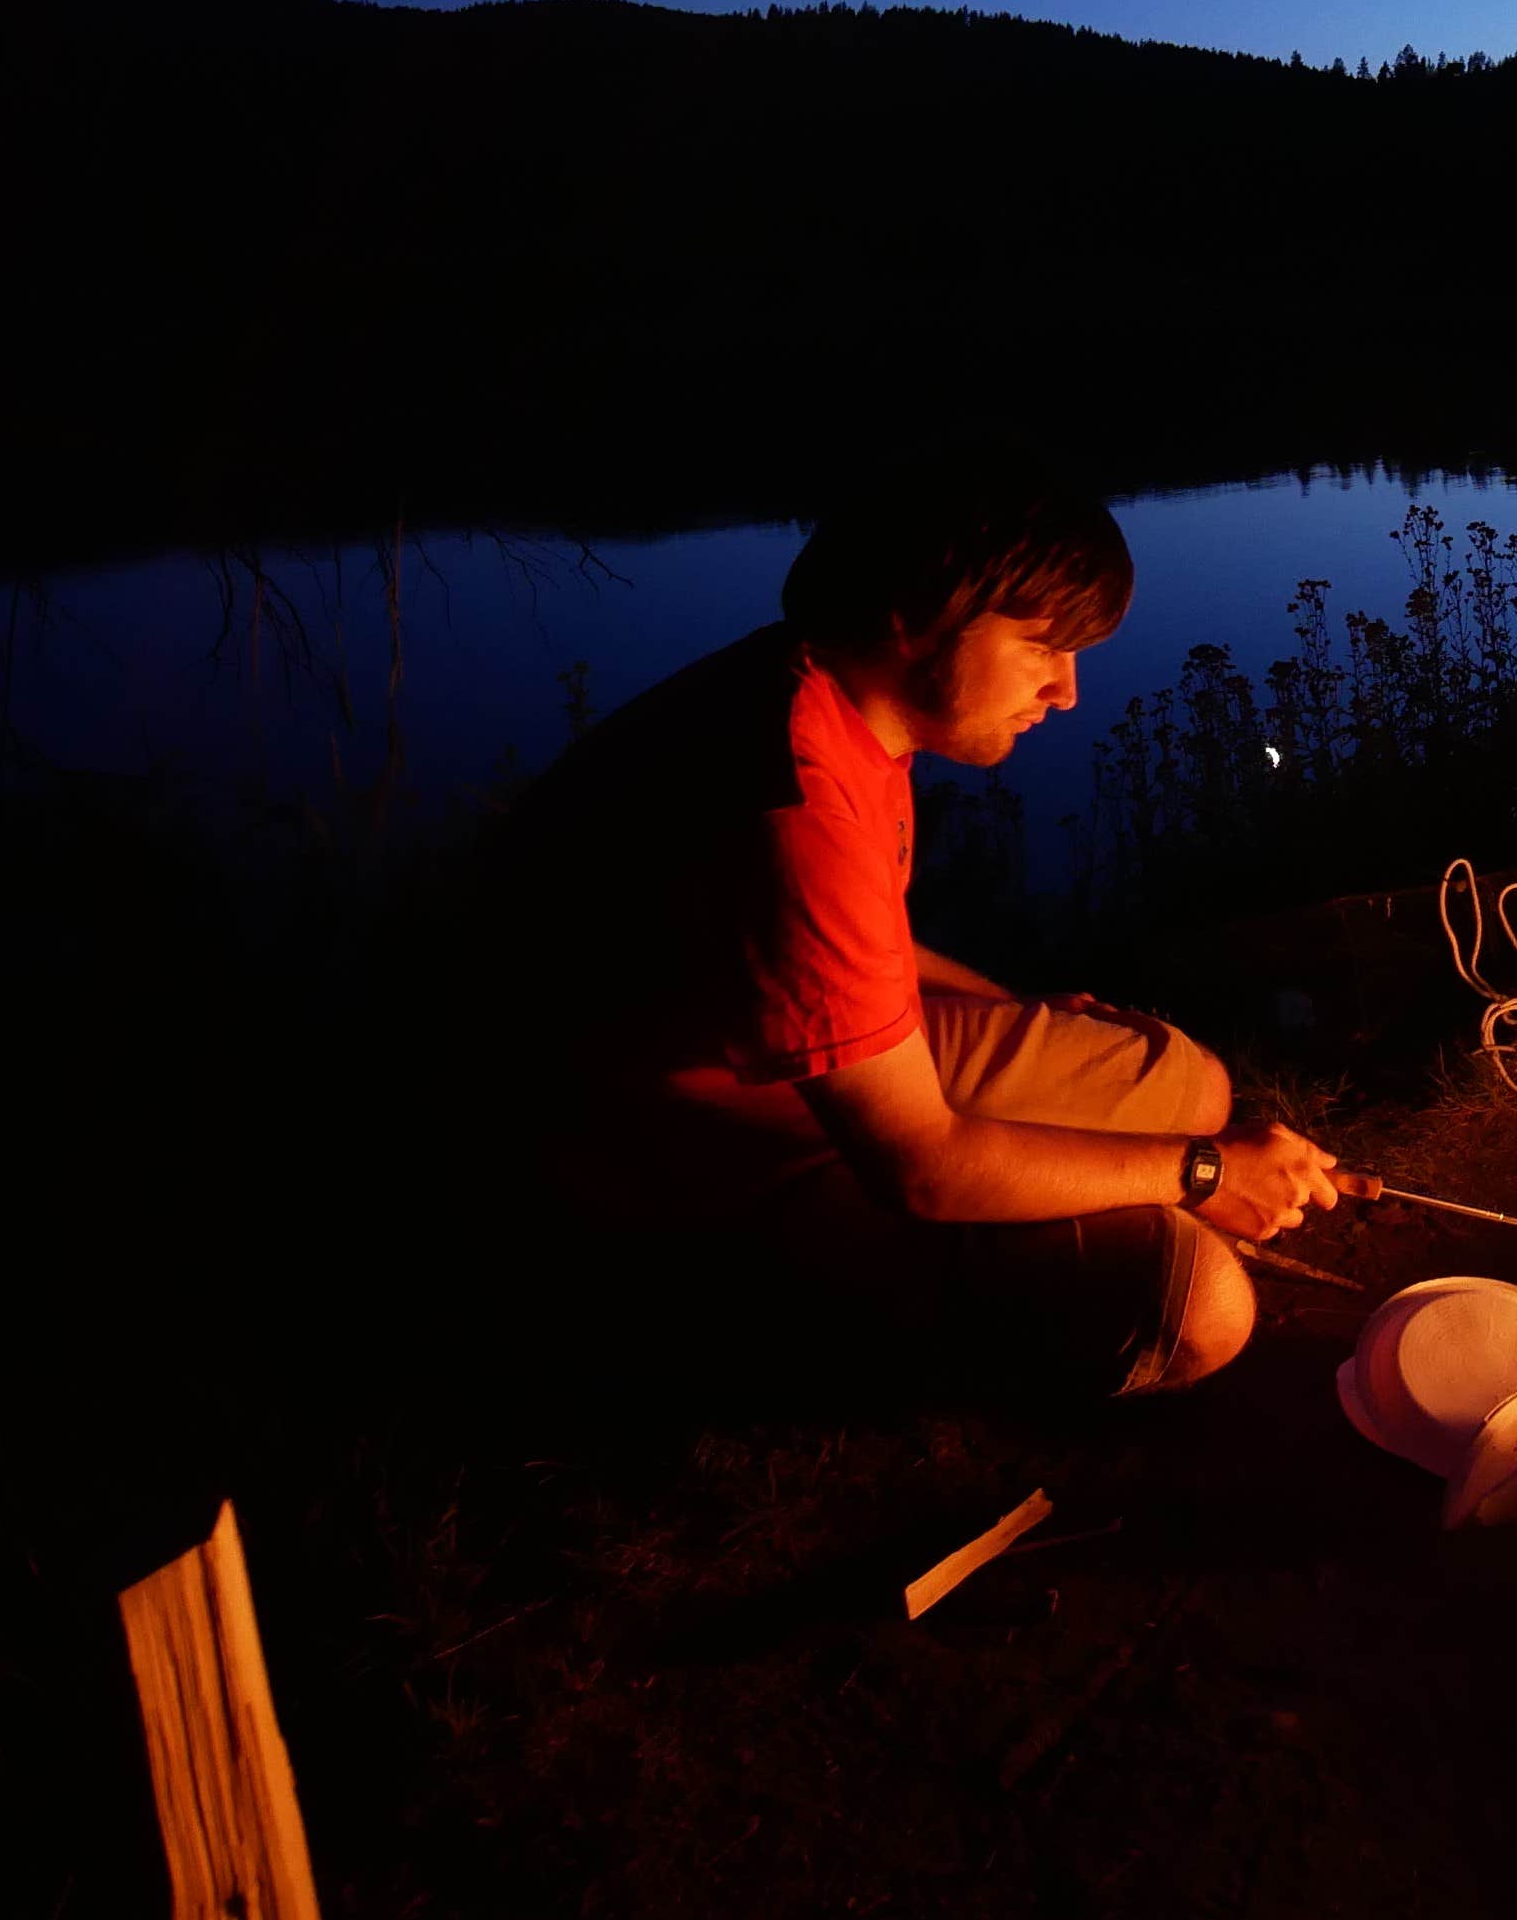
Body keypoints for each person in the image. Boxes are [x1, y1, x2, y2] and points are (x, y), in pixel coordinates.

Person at [491, 458, 1347, 1397]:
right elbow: (921, 1167)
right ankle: (740, 1334)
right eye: (1040, 650)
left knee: (1182, 1080)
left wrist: (1011, 1009)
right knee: (1195, 1309)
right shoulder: (788, 805)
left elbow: (855, 951)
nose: (1066, 693)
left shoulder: (821, 694)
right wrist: (1202, 1175)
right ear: (911, 619)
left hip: (810, 1084)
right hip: (697, 1174)